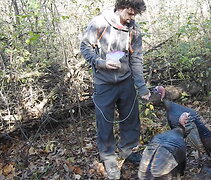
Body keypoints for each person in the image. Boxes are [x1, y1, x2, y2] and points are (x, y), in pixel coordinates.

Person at [80, 0, 150, 179]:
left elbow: (136, 59)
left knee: (131, 119)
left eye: (135, 14)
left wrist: (141, 87)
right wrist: (100, 63)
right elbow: (85, 48)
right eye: (130, 13)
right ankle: (108, 156)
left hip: (126, 81)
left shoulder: (134, 30)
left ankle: (127, 150)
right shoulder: (99, 23)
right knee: (105, 122)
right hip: (104, 83)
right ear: (120, 8)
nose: (132, 17)